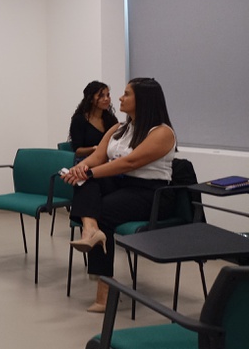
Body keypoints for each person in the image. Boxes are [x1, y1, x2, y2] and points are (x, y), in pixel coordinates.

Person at [61, 78, 176, 312]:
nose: (120, 98)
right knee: (84, 182)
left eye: (126, 94)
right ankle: (90, 229)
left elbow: (129, 163)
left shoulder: (162, 132)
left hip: (151, 193)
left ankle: (104, 294)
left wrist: (89, 172)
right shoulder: (119, 128)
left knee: (100, 208)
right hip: (123, 186)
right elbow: (97, 157)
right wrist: (79, 169)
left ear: (143, 100)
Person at [68, 81, 118, 160]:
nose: (106, 99)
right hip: (86, 160)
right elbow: (77, 150)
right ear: (91, 99)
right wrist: (94, 149)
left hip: (107, 159)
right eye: (101, 96)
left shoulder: (110, 119)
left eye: (108, 95)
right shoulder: (79, 120)